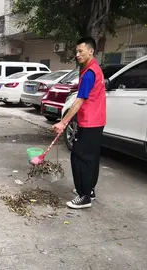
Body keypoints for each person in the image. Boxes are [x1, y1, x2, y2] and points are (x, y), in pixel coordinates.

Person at [52, 37, 106, 209]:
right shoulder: (92, 69)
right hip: (96, 121)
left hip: (90, 121)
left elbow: (79, 100)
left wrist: (63, 122)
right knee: (91, 157)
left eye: (80, 51)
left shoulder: (90, 72)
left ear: (91, 51)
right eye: (76, 51)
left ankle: (84, 196)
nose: (77, 54)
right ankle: (89, 191)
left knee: (79, 156)